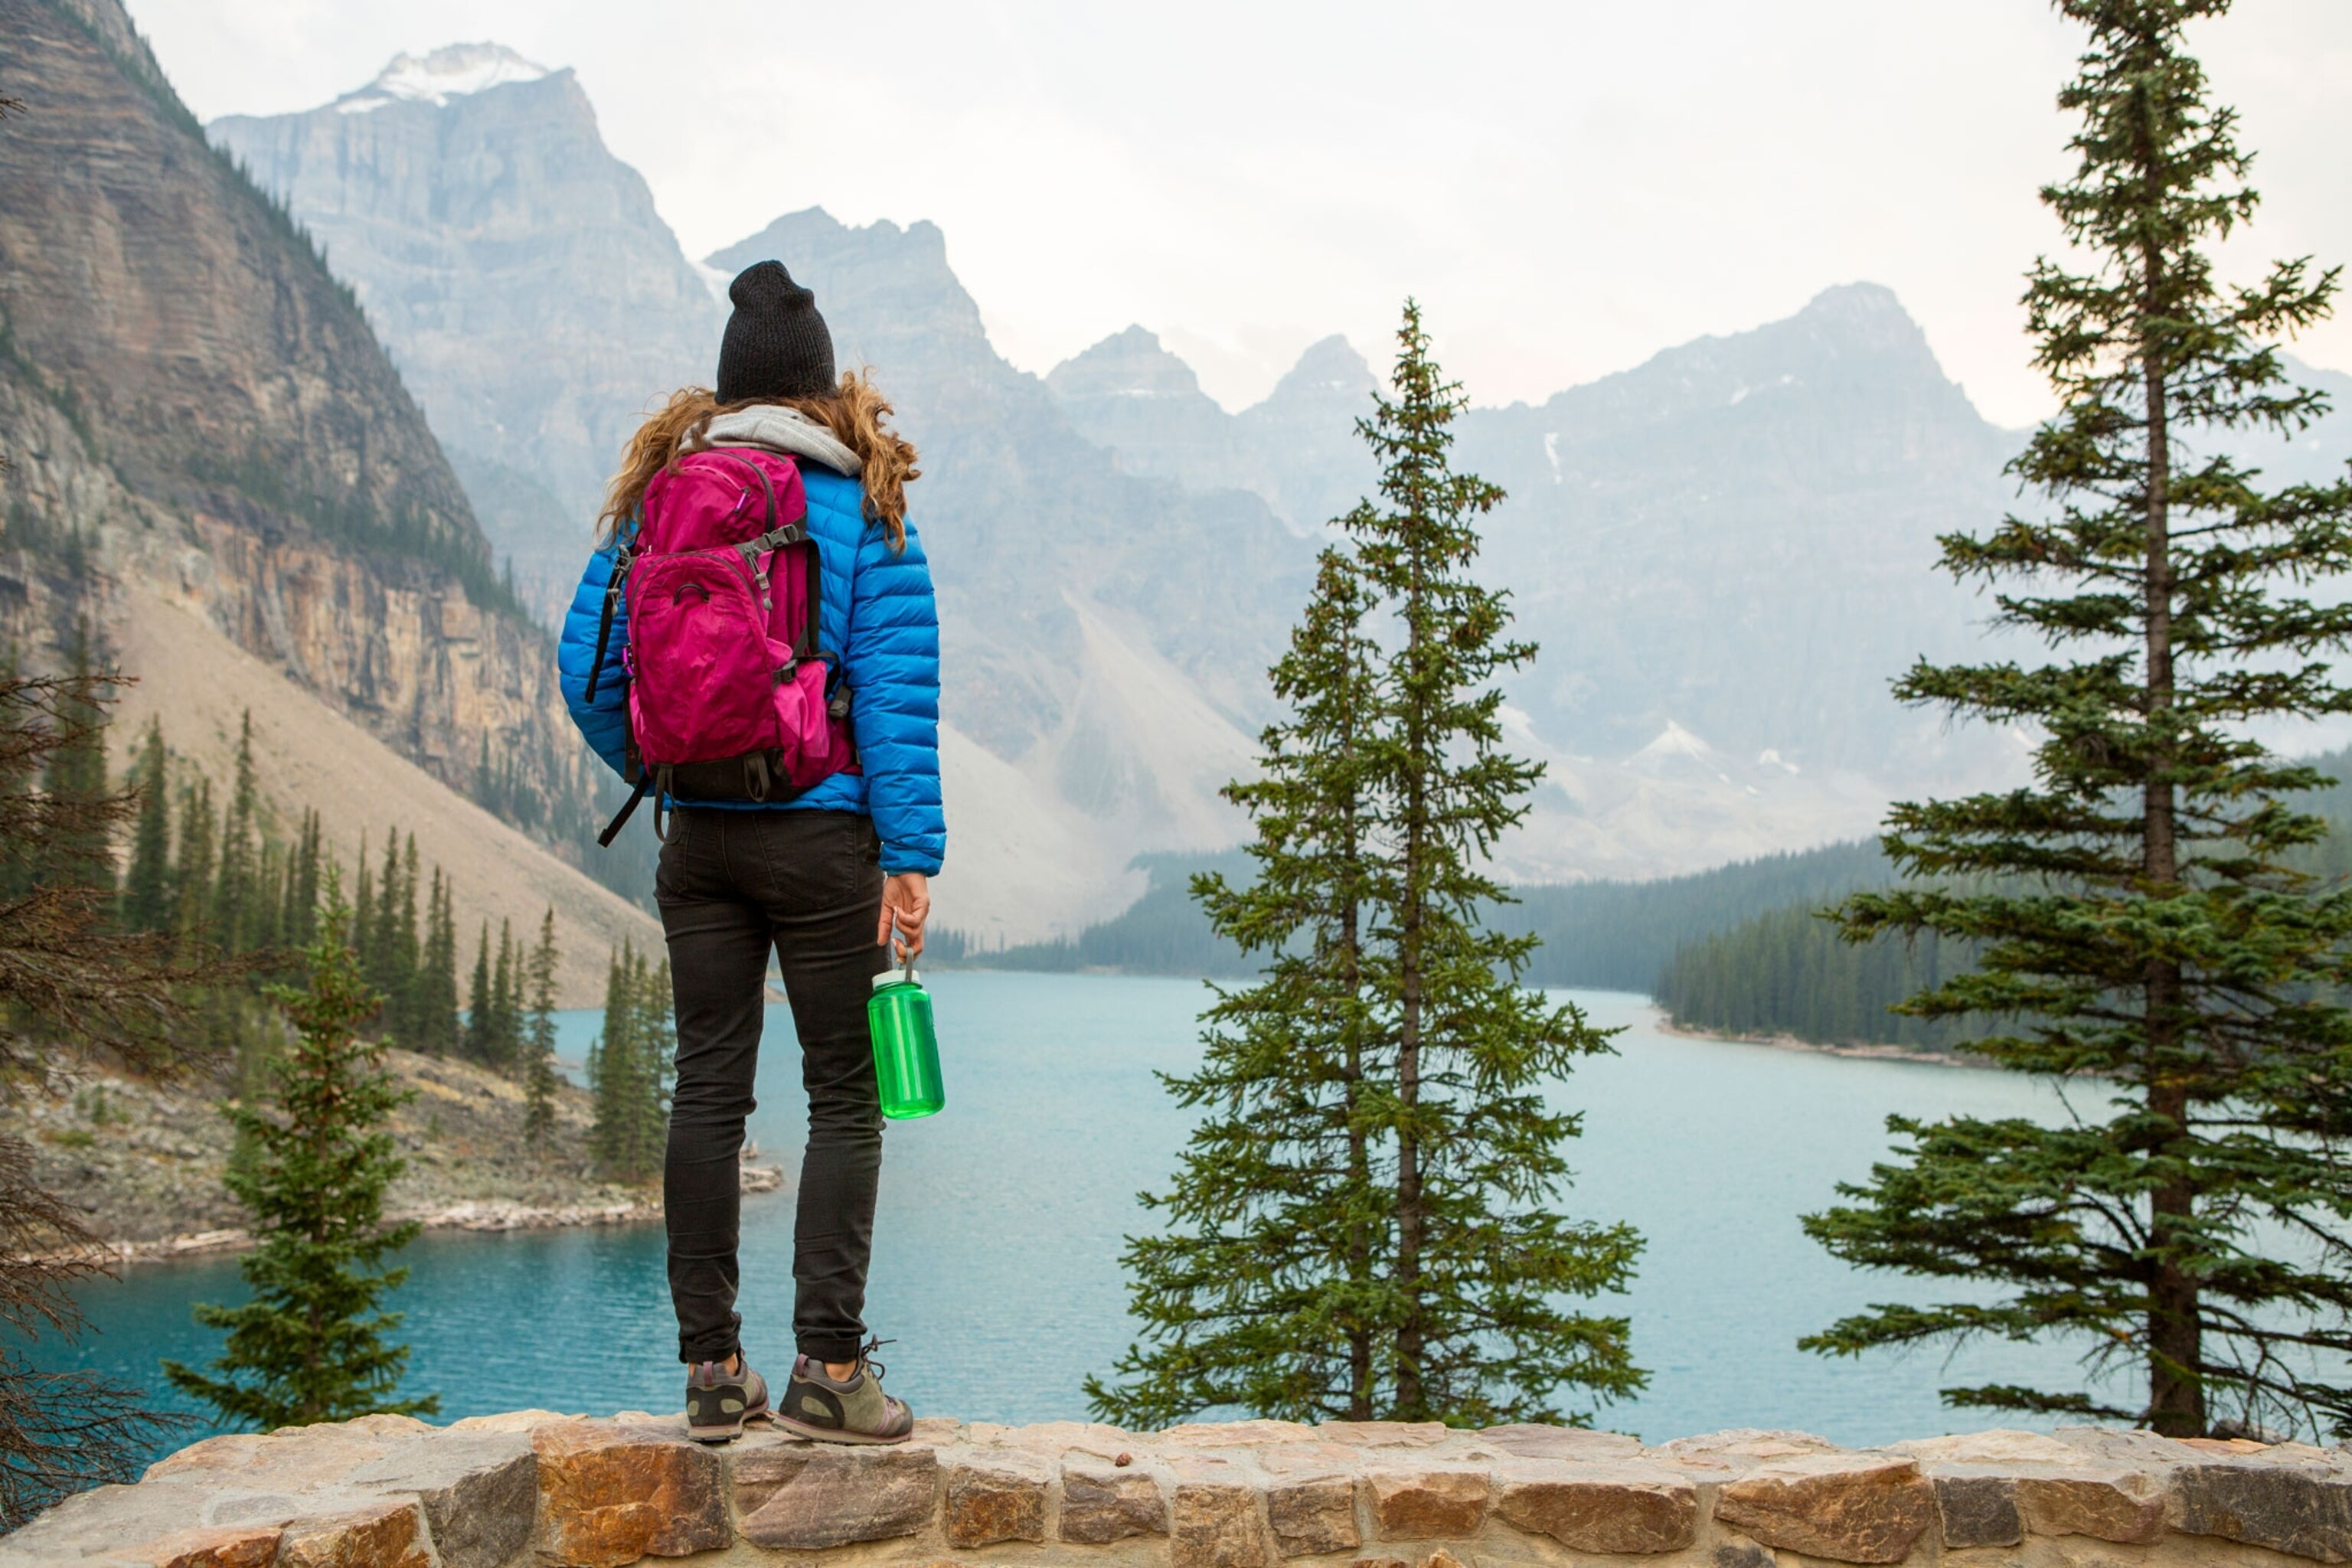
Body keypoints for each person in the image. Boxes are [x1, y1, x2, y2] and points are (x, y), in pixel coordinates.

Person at [559, 260, 943, 1446]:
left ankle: (714, 1376)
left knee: (708, 1091)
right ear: (823, 390)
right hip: (824, 839)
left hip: (702, 849)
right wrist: (910, 854)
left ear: (729, 392)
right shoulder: (862, 507)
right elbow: (892, 692)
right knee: (845, 1098)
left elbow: (587, 674)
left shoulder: (663, 493)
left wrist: (674, 764)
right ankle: (829, 1369)